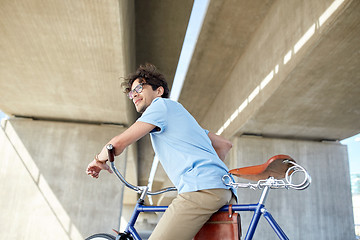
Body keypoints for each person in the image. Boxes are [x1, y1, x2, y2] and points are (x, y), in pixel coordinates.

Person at [86, 63, 237, 240]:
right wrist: (211, 176)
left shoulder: (160, 106)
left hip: (201, 191)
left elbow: (118, 144)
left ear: (158, 91)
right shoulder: (184, 120)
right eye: (131, 92)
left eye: (140, 88)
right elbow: (224, 144)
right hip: (225, 191)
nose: (134, 94)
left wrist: (98, 160)